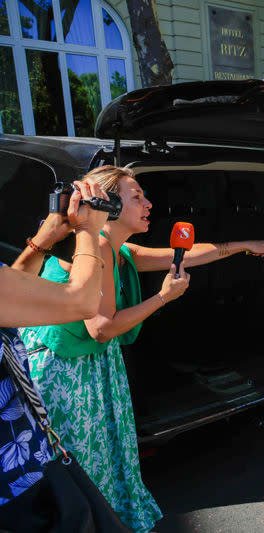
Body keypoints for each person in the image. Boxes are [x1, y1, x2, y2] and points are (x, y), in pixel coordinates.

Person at [17, 165, 264, 533]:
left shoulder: (118, 246)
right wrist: (162, 297)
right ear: (109, 205)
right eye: (137, 196)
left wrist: (242, 246)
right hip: (65, 372)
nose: (149, 203)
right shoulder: (99, 246)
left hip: (87, 364)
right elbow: (101, 327)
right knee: (77, 469)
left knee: (93, 465)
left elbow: (182, 254)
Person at [0, 180, 107, 525]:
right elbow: (84, 302)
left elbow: (11, 298)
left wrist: (43, 241)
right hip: (16, 481)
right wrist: (89, 230)